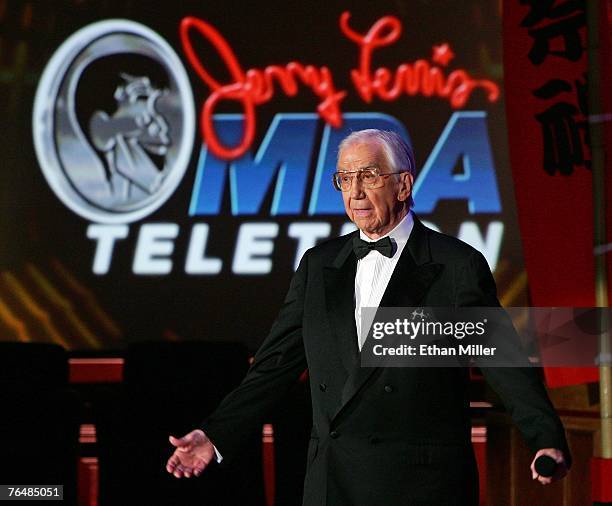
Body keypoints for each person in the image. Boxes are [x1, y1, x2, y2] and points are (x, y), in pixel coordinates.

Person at [166, 129, 570, 505]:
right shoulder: (318, 266)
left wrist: (544, 435)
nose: (355, 192)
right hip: (333, 482)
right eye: (345, 178)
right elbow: (274, 366)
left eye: (369, 175)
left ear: (404, 184)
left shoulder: (454, 265)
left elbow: (502, 358)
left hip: (420, 484)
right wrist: (216, 435)